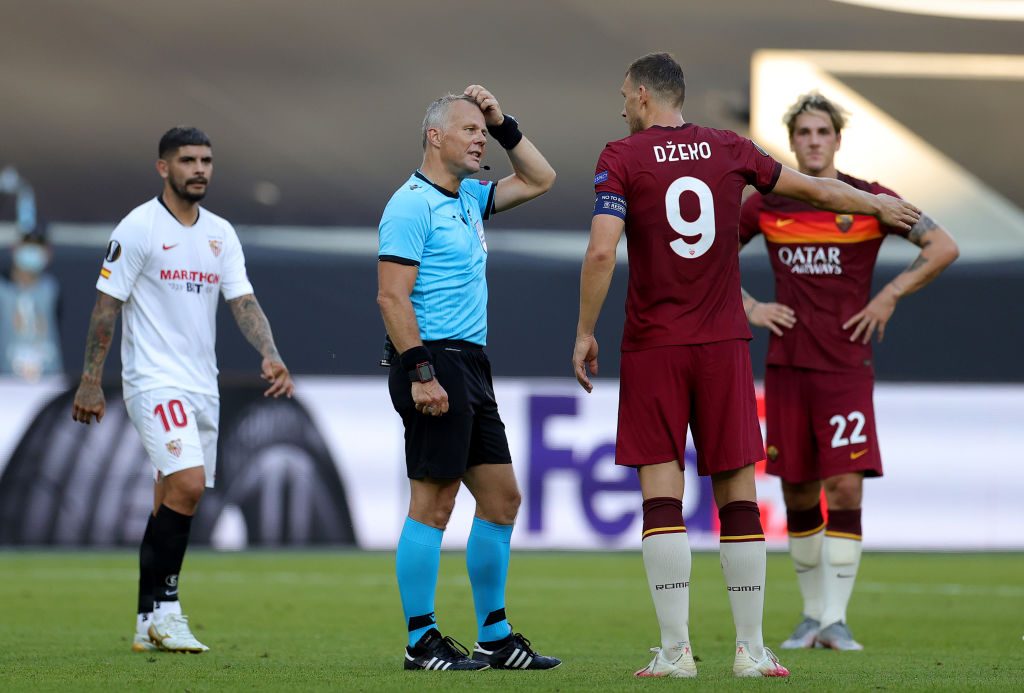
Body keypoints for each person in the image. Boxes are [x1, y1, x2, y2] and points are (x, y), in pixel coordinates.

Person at [572, 53, 921, 679]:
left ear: (647, 97)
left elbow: (602, 251)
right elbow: (817, 188)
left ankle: (676, 652)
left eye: (625, 94)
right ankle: (751, 651)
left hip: (654, 344)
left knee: (662, 495)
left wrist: (583, 332)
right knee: (736, 492)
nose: (620, 104)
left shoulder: (619, 158)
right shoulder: (729, 148)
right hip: (723, 344)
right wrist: (877, 208)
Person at [738, 92, 958, 651]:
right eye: (804, 133)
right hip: (787, 366)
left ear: (837, 140)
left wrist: (889, 295)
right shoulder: (766, 203)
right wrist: (752, 308)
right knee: (798, 493)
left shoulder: (872, 201)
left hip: (845, 367)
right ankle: (814, 617)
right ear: (793, 142)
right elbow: (706, 258)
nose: (813, 141)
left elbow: (941, 245)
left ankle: (835, 619)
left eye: (822, 132)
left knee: (846, 487)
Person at [71, 127, 294, 654]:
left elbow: (242, 300)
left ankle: (145, 621)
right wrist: (90, 381)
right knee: (189, 486)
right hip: (153, 380)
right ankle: (169, 612)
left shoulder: (220, 233)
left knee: (170, 496)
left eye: (207, 160)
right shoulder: (139, 228)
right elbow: (107, 306)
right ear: (163, 168)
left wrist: (271, 351)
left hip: (202, 384)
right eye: (188, 160)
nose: (200, 169)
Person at [377, 85, 559, 671]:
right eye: (470, 129)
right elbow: (391, 296)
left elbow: (540, 178)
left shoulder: (466, 199)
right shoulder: (410, 204)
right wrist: (421, 373)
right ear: (435, 137)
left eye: (484, 131)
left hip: (472, 365)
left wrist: (505, 121)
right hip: (433, 361)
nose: (480, 138)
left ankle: (495, 637)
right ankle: (419, 640)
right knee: (433, 502)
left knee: (502, 499)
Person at [0, 226, 63, 380]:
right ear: (15, 249)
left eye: (38, 247)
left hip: (49, 379)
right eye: (27, 245)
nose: (32, 252)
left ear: (48, 253)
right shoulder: (3, 289)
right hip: (7, 382)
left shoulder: (52, 288)